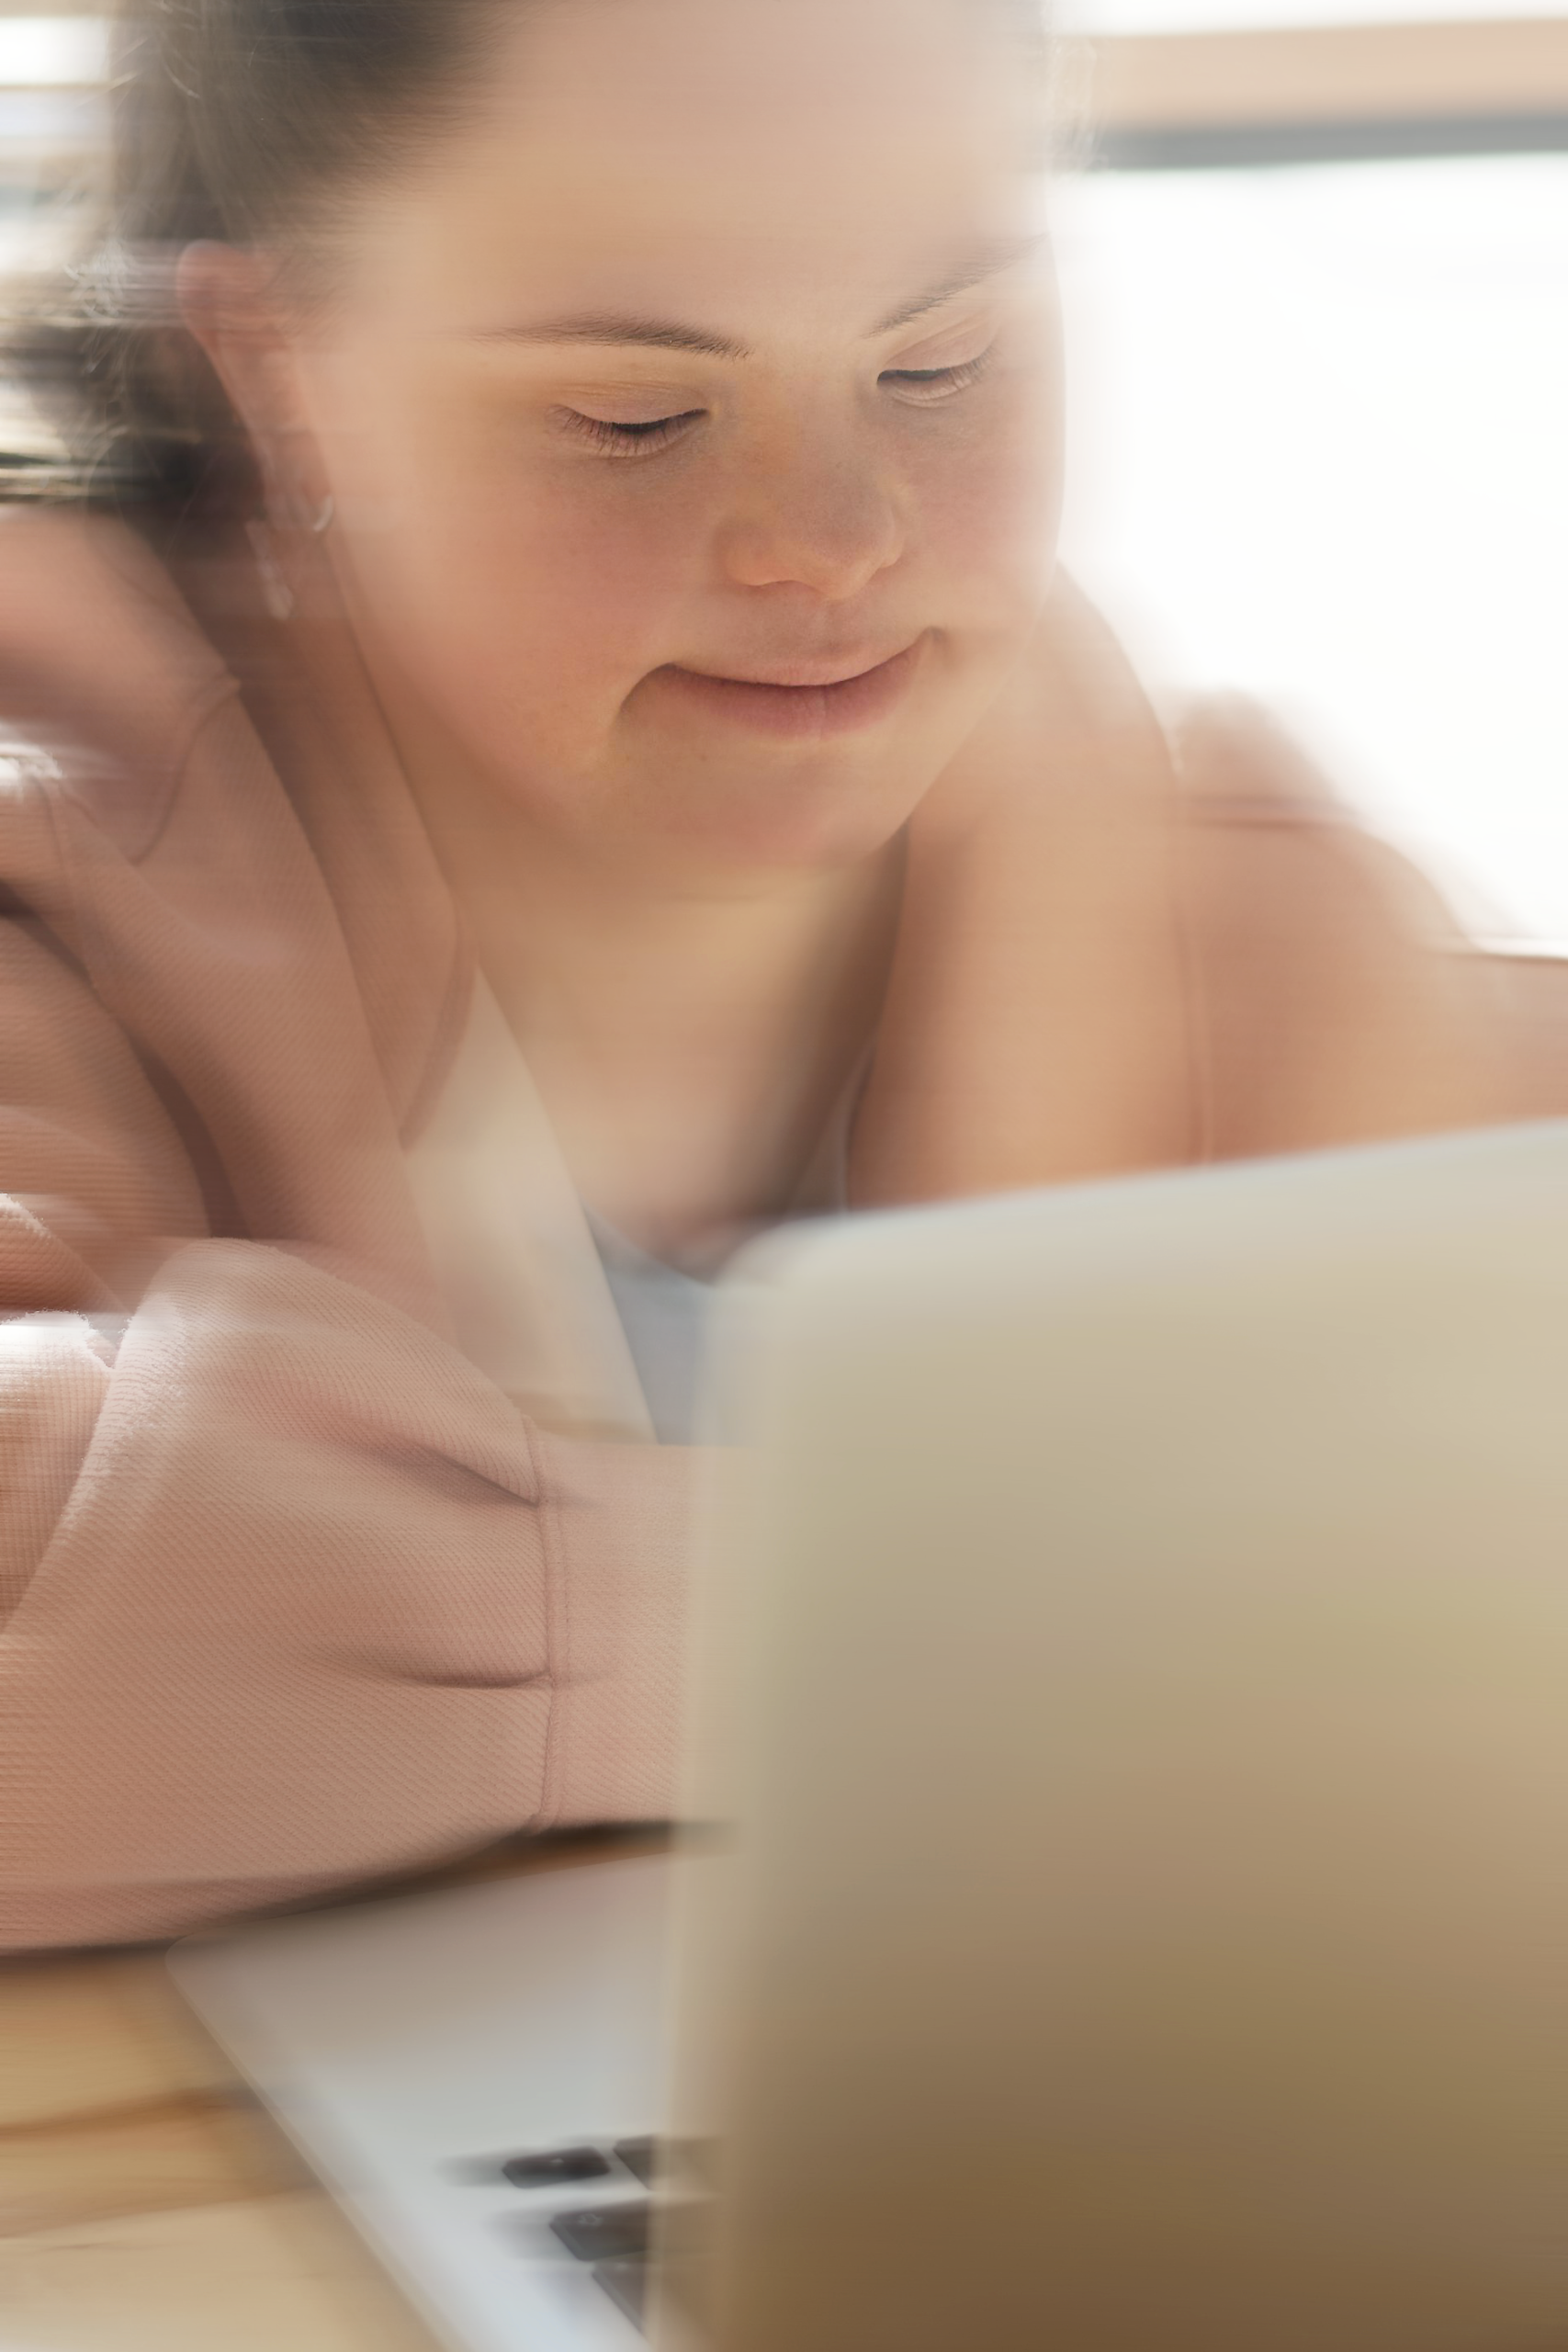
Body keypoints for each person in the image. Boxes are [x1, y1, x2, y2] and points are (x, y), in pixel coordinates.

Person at [0, 0, 1507, 1948]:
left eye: (943, 360)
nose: (835, 537)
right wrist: (967, 1618)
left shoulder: (1254, 926)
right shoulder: (60, 849)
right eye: (637, 412)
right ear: (276, 363)